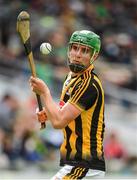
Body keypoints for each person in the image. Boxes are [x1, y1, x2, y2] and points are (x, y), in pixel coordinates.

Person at [29, 30, 106, 179]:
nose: (77, 54)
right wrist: (48, 113)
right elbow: (63, 113)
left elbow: (59, 121)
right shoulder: (71, 78)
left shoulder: (89, 85)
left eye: (84, 51)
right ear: (69, 50)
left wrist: (45, 92)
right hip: (78, 165)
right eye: (75, 48)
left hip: (84, 166)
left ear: (94, 56)